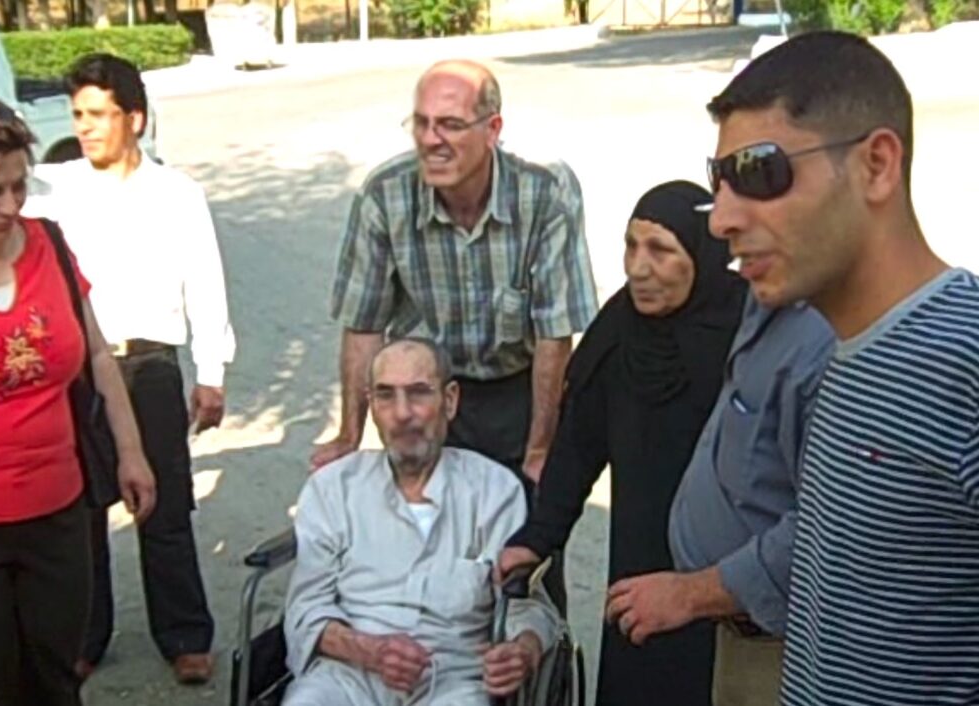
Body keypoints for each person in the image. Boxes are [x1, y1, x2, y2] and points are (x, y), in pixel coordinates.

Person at [707, 32, 979, 705]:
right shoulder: (846, 355)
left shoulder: (962, 362)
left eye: (760, 172)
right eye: (718, 182)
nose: (722, 219)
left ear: (877, 165)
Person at [26, 54, 235, 684]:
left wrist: (212, 370)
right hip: (79, 374)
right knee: (83, 513)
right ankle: (87, 636)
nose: (85, 128)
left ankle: (185, 636)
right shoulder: (53, 188)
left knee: (165, 511)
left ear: (134, 119)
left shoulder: (177, 194)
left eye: (98, 115)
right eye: (77, 116)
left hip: (149, 368)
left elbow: (207, 283)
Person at [498, 180, 747, 705]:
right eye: (631, 246)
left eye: (660, 249)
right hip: (637, 573)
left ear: (704, 254)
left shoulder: (747, 330)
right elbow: (578, 449)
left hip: (726, 584)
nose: (637, 266)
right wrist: (538, 536)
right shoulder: (619, 332)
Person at [312, 59, 598, 490]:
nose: (431, 140)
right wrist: (349, 435)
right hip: (430, 392)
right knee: (426, 536)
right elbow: (363, 325)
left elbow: (554, 337)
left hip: (519, 391)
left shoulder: (544, 194)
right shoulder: (384, 196)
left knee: (522, 540)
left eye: (449, 124)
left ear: (492, 129)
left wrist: (540, 449)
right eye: (421, 123)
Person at [0, 93, 155, 705]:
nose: (10, 207)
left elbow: (96, 355)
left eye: (19, 187)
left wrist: (131, 451)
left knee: (55, 679)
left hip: (58, 515)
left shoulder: (49, 244)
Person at [283, 338, 558, 706]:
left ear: (450, 401)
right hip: (348, 675)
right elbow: (305, 608)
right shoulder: (333, 489)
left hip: (455, 678)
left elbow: (527, 604)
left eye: (418, 393)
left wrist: (523, 650)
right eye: (385, 395)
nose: (402, 413)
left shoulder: (495, 492)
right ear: (372, 404)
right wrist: (369, 650)